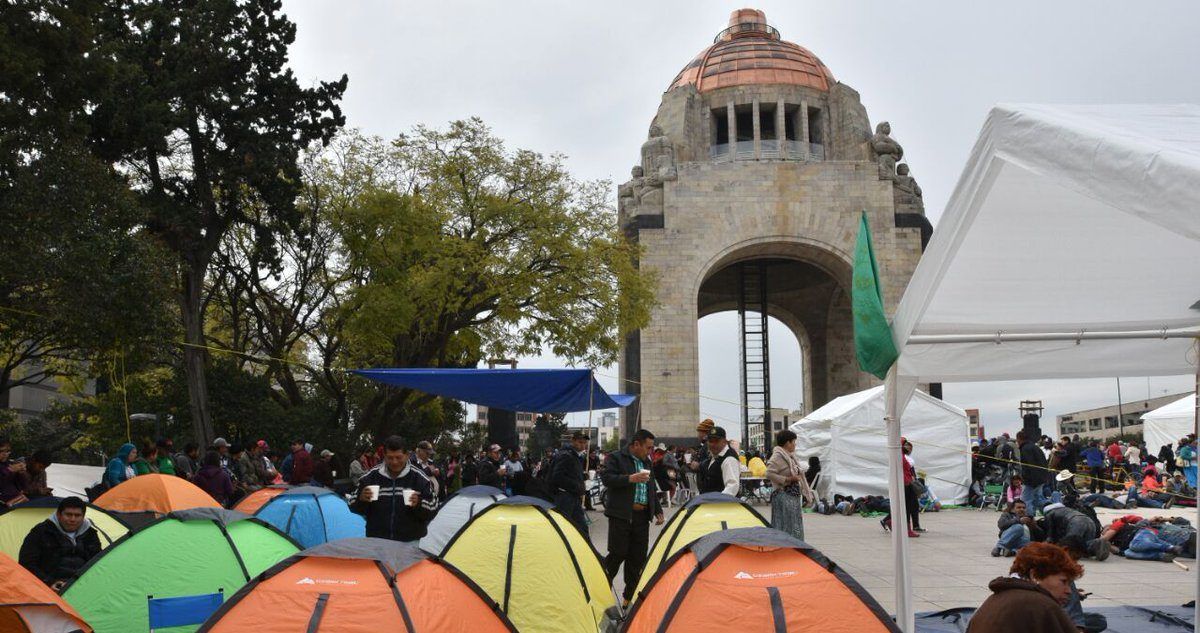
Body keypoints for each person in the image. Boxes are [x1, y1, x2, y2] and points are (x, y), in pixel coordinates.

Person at [600, 429, 664, 606]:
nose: (650, 452)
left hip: (642, 517)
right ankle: (600, 588)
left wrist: (657, 508)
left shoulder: (647, 462)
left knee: (637, 559)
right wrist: (630, 479)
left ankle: (628, 599)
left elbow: (651, 487)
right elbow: (607, 479)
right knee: (617, 553)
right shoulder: (615, 458)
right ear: (636, 444)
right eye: (648, 447)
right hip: (621, 515)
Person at [967, 542, 1082, 633]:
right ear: (1035, 575)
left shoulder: (995, 599)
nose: (1069, 591)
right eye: (1064, 581)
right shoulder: (1042, 605)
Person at [350, 436, 436, 542]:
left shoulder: (419, 478)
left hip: (410, 542)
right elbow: (351, 503)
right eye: (390, 458)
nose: (394, 462)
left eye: (398, 457)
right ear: (384, 456)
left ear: (407, 455)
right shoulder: (371, 476)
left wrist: (419, 503)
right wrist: (361, 499)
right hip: (377, 541)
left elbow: (434, 507)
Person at [18, 497, 101, 592]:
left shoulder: (90, 534)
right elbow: (26, 563)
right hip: (49, 588)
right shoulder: (41, 532)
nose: (72, 519)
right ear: (58, 515)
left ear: (83, 516)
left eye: (77, 515)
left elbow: (98, 563)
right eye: (68, 514)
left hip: (84, 587)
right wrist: (49, 583)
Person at [766, 430, 815, 541]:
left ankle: (794, 547)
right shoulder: (778, 456)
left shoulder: (789, 456)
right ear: (787, 443)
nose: (795, 444)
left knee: (793, 525)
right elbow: (769, 473)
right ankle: (787, 548)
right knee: (787, 525)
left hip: (791, 496)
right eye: (793, 442)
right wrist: (787, 479)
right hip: (784, 496)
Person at [548, 432, 590, 537]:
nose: (583, 445)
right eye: (580, 442)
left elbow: (571, 474)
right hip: (565, 497)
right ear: (573, 441)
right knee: (565, 528)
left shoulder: (577, 456)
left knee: (582, 528)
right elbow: (557, 477)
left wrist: (583, 477)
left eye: (585, 443)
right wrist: (576, 486)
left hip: (573, 497)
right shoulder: (566, 455)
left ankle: (586, 551)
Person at [1040, 502, 1108, 561]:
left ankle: (1097, 544)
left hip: (1075, 522)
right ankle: (1097, 543)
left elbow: (1050, 533)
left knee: (1071, 545)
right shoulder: (1067, 509)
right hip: (1089, 521)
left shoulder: (1049, 513)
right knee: (1084, 546)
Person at [882, 439, 921, 537]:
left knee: (906, 507)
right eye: (906, 445)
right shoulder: (899, 457)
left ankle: (890, 521)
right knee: (907, 508)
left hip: (907, 483)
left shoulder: (902, 456)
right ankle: (907, 529)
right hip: (906, 484)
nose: (908, 447)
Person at [699, 426, 740, 496]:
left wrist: (718, 501)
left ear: (724, 441)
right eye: (710, 441)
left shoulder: (729, 459)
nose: (713, 444)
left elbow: (732, 487)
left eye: (716, 441)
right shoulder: (714, 457)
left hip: (720, 505)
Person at [1017, 431, 1050, 515]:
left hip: (1031, 480)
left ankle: (1029, 519)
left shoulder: (1025, 449)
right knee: (1038, 500)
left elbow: (1029, 465)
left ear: (1019, 439)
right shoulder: (1035, 447)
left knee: (1025, 501)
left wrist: (1027, 479)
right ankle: (1051, 512)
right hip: (1041, 477)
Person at [0, 438, 29, 507]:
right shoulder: (10, 467)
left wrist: (22, 473)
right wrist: (9, 470)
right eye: (1, 451)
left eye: (8, 451)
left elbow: (24, 486)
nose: (5, 454)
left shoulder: (9, 463)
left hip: (15, 500)